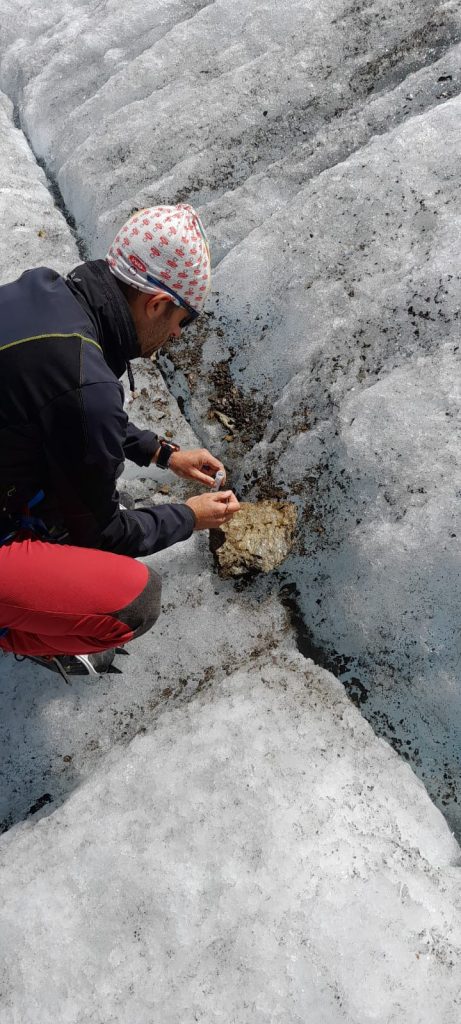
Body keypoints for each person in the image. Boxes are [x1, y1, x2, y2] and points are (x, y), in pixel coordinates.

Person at [0, 203, 240, 679]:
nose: (176, 333)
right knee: (133, 601)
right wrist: (189, 517)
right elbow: (104, 534)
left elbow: (55, 405)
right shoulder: (85, 385)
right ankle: (26, 633)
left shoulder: (42, 294)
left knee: (75, 495)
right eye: (182, 320)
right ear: (155, 303)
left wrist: (162, 452)